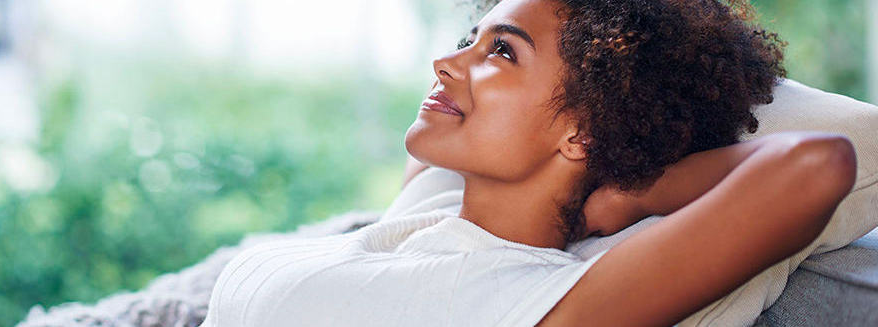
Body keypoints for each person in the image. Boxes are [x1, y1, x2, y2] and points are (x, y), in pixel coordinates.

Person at [201, 0, 857, 326]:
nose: (447, 62)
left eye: (503, 52)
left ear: (582, 131)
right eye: (470, 39)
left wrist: (629, 196)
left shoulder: (532, 298)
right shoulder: (425, 220)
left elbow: (816, 161)